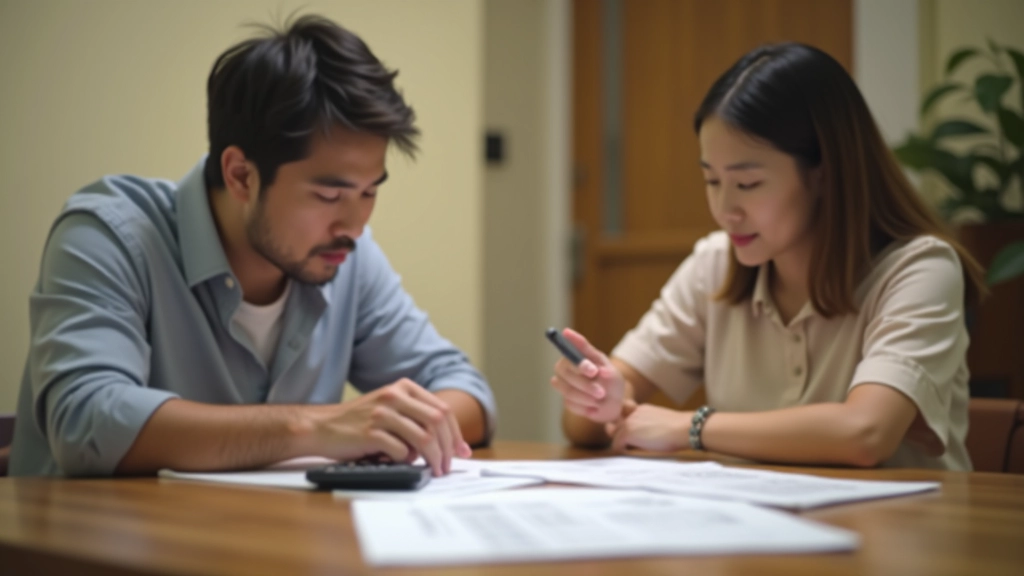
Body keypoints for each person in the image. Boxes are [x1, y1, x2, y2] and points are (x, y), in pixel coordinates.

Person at [10, 15, 495, 477]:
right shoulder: (110, 236)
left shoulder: (346, 256)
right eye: (329, 195)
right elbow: (86, 421)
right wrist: (314, 428)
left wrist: (409, 422)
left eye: (370, 191)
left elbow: (464, 389)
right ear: (240, 175)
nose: (355, 222)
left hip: (265, 544)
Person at [551, 42, 985, 470]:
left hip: (906, 534)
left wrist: (692, 427)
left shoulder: (921, 269)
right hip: (763, 531)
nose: (725, 210)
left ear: (824, 173)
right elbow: (581, 426)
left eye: (747, 184)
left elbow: (865, 433)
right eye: (711, 181)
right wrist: (599, 399)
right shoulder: (715, 266)